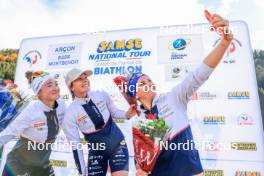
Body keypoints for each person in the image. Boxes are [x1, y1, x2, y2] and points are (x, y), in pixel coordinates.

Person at [127, 13, 233, 176]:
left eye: (149, 80)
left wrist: (224, 43)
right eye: (142, 83)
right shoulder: (139, 122)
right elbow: (141, 161)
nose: (148, 83)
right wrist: (139, 170)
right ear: (135, 94)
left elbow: (200, 74)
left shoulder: (173, 97)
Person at [62, 68, 138, 176]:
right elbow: (75, 145)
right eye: (79, 79)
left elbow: (115, 112)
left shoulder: (101, 94)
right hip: (97, 151)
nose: (85, 80)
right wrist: (82, 172)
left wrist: (127, 114)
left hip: (117, 144)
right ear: (71, 86)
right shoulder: (70, 113)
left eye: (85, 78)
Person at [0, 71, 66, 176]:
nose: (55, 88)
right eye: (49, 85)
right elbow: (5, 135)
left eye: (56, 84)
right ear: (38, 92)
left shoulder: (62, 105)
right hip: (19, 165)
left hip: (42, 164)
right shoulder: (29, 112)